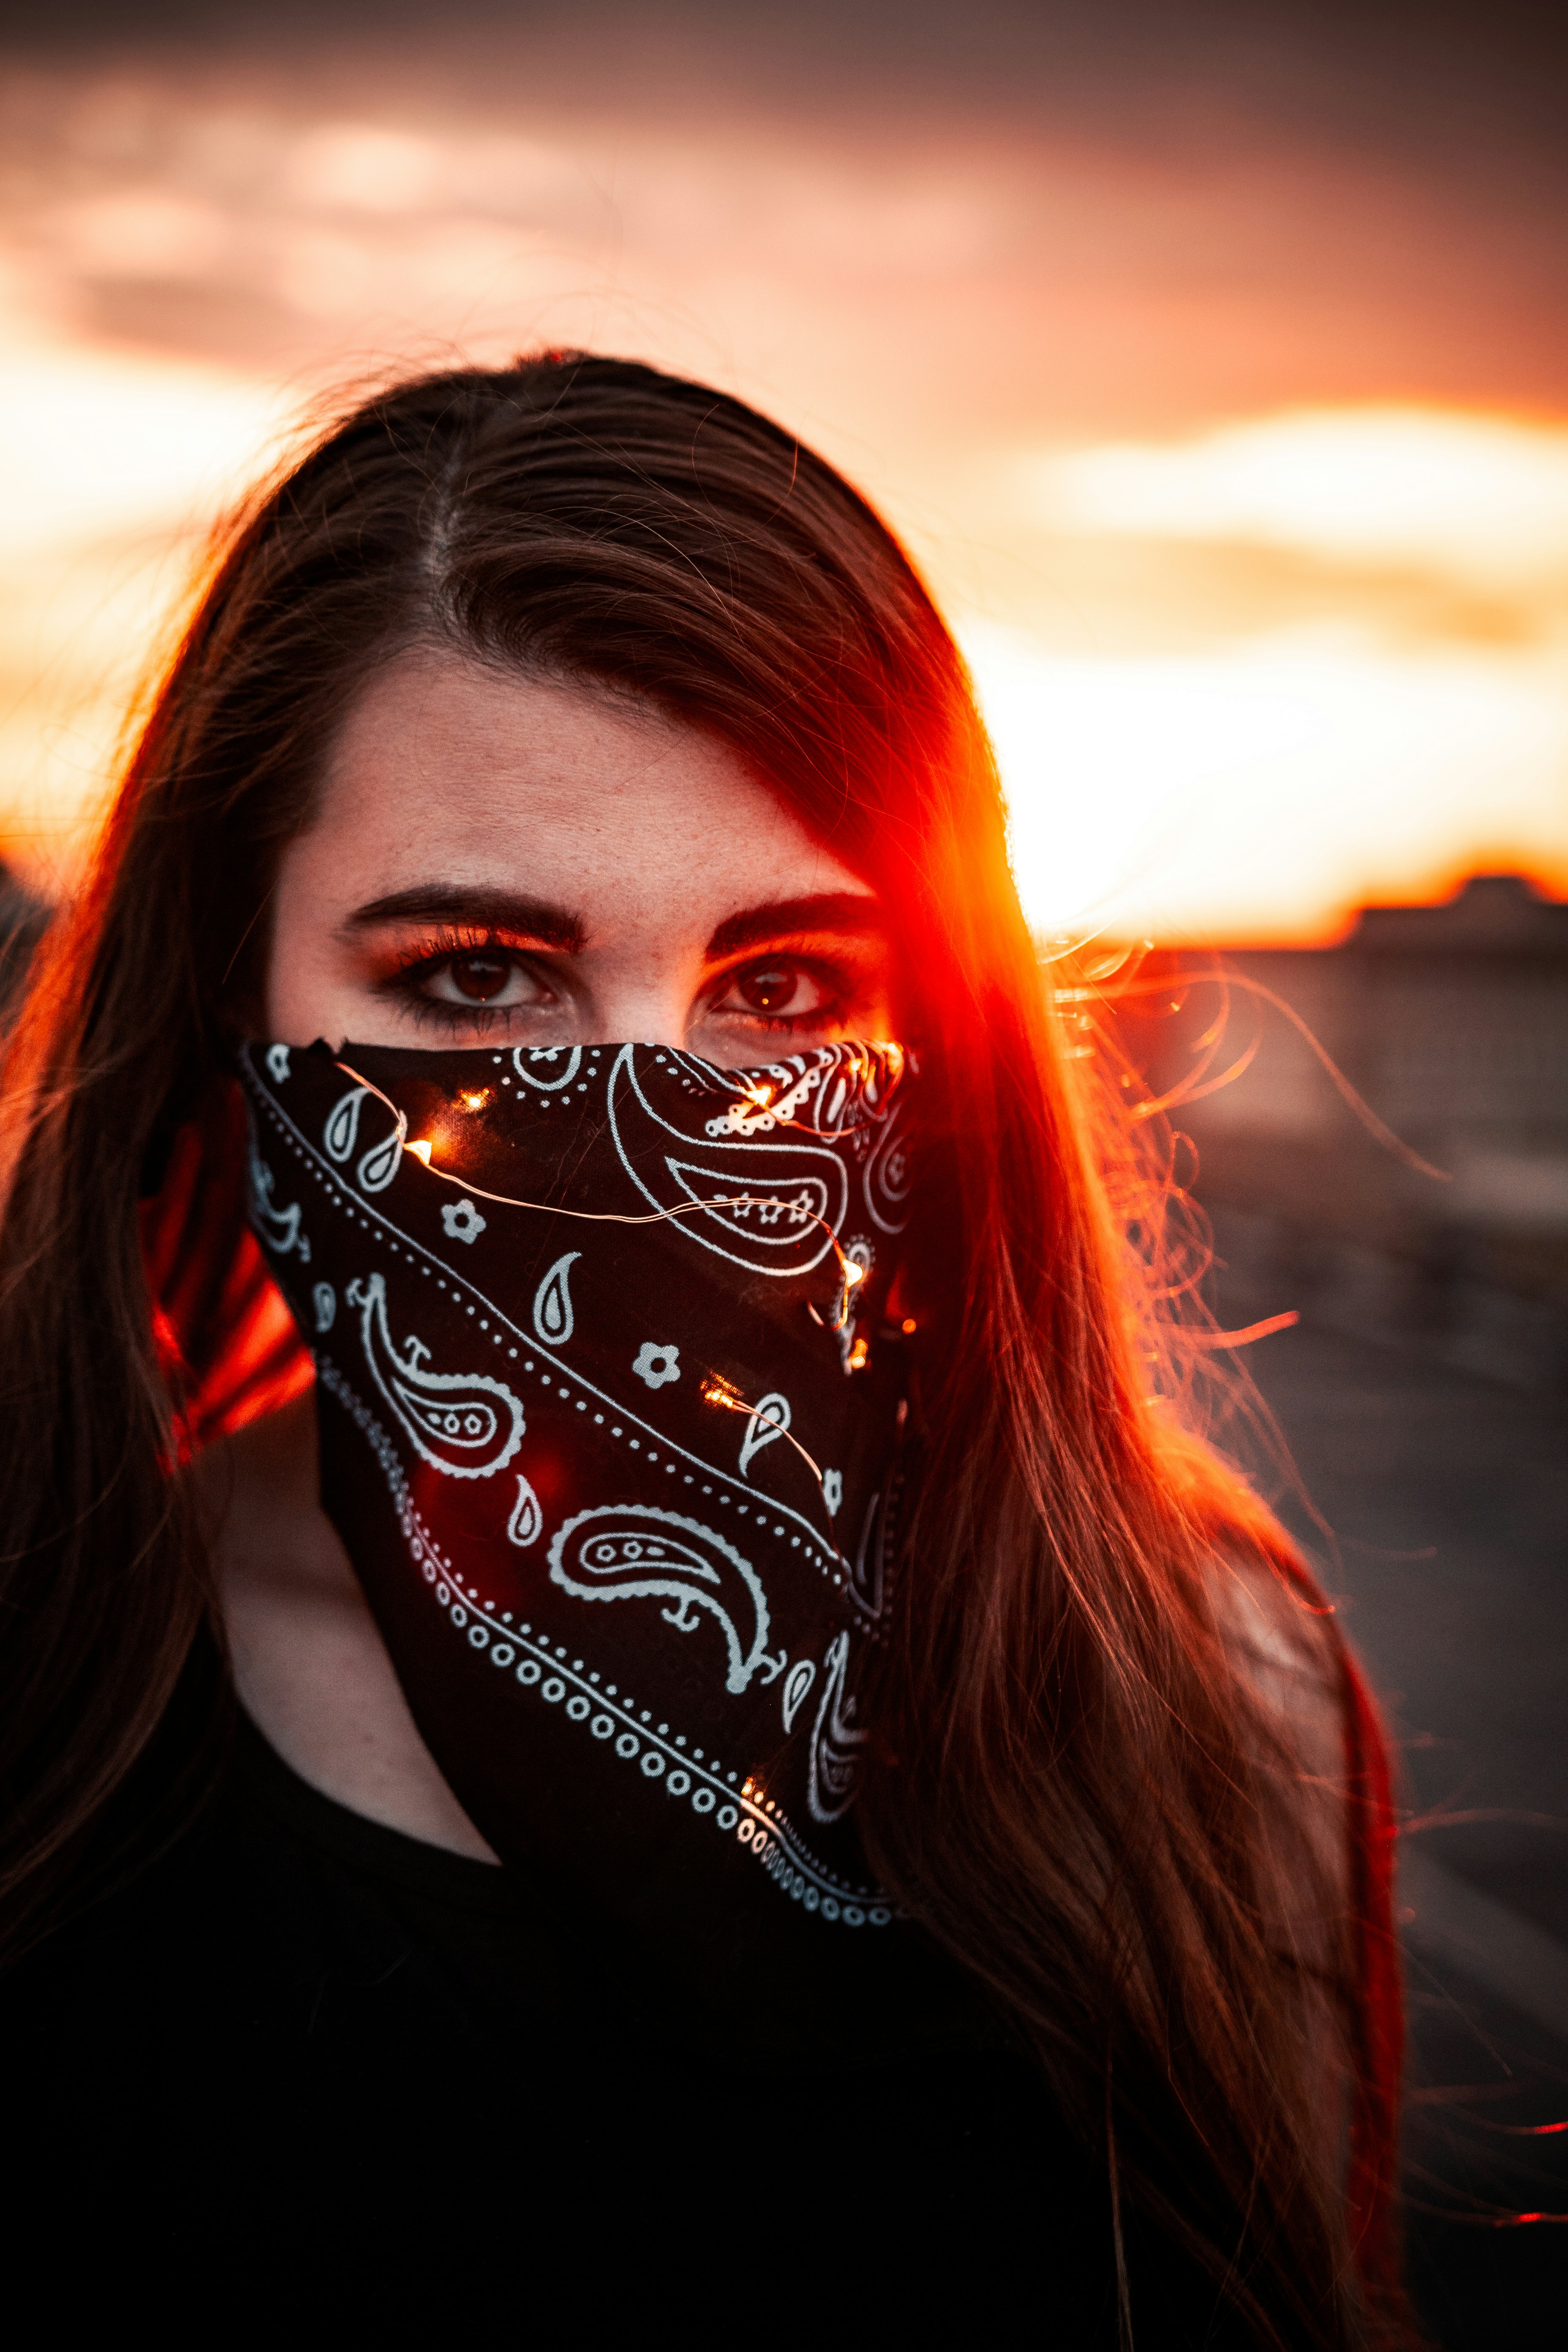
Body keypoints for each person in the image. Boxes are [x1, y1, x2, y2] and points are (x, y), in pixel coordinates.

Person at [0, 355, 1408, 2343]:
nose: (658, 1116)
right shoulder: (50, 1705)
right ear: (227, 983)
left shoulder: (1200, 1698)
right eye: (478, 975)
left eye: (785, 981)